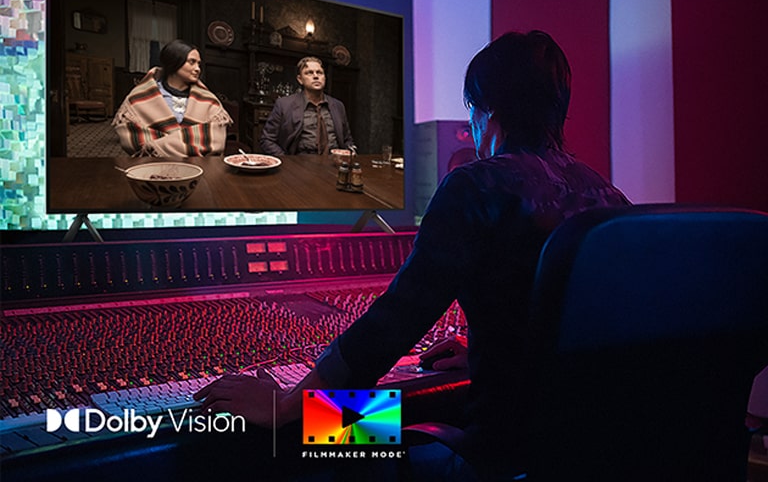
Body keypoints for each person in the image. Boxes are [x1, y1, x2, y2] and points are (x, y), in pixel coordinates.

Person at [195, 30, 631, 479]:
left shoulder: (475, 186)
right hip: (592, 447)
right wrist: (495, 347)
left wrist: (290, 402)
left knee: (313, 431)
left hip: (498, 452)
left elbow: (395, 321)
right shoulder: (608, 196)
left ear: (489, 113)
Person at [112, 39, 232, 157]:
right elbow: (131, 138)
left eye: (198, 64)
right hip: (152, 164)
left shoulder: (208, 100)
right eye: (192, 62)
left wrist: (160, 145)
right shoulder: (141, 96)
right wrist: (187, 142)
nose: (198, 69)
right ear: (174, 62)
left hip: (199, 166)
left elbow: (216, 140)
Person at [259, 56, 355, 155]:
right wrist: (287, 161)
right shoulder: (284, 105)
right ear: (300, 79)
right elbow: (267, 140)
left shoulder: (338, 106)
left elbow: (347, 140)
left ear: (324, 77)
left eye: (319, 72)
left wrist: (350, 152)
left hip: (334, 163)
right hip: (300, 164)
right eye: (309, 73)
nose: (316, 76)